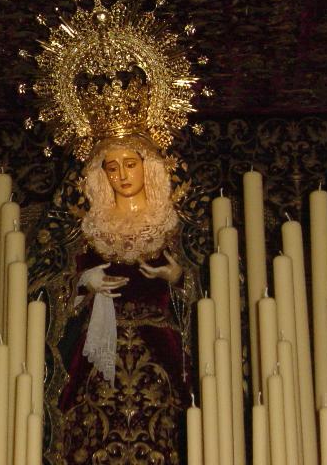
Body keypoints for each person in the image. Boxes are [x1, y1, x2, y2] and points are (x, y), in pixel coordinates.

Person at [56, 135, 192, 464]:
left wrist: (178, 279)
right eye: (112, 167)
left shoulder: (176, 230)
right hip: (98, 352)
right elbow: (50, 290)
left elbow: (219, 291)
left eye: (130, 164)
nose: (122, 175)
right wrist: (84, 281)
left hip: (163, 350)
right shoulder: (86, 233)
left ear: (149, 167)